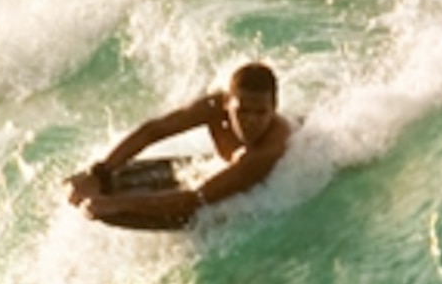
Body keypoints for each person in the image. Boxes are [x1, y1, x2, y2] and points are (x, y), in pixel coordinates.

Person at [67, 61, 291, 229]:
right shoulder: (213, 107)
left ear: (274, 108)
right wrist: (99, 172)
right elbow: (154, 131)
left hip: (254, 184)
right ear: (227, 103)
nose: (252, 120)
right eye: (242, 111)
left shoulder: (269, 149)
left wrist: (118, 204)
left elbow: (196, 200)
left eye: (261, 112)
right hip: (224, 173)